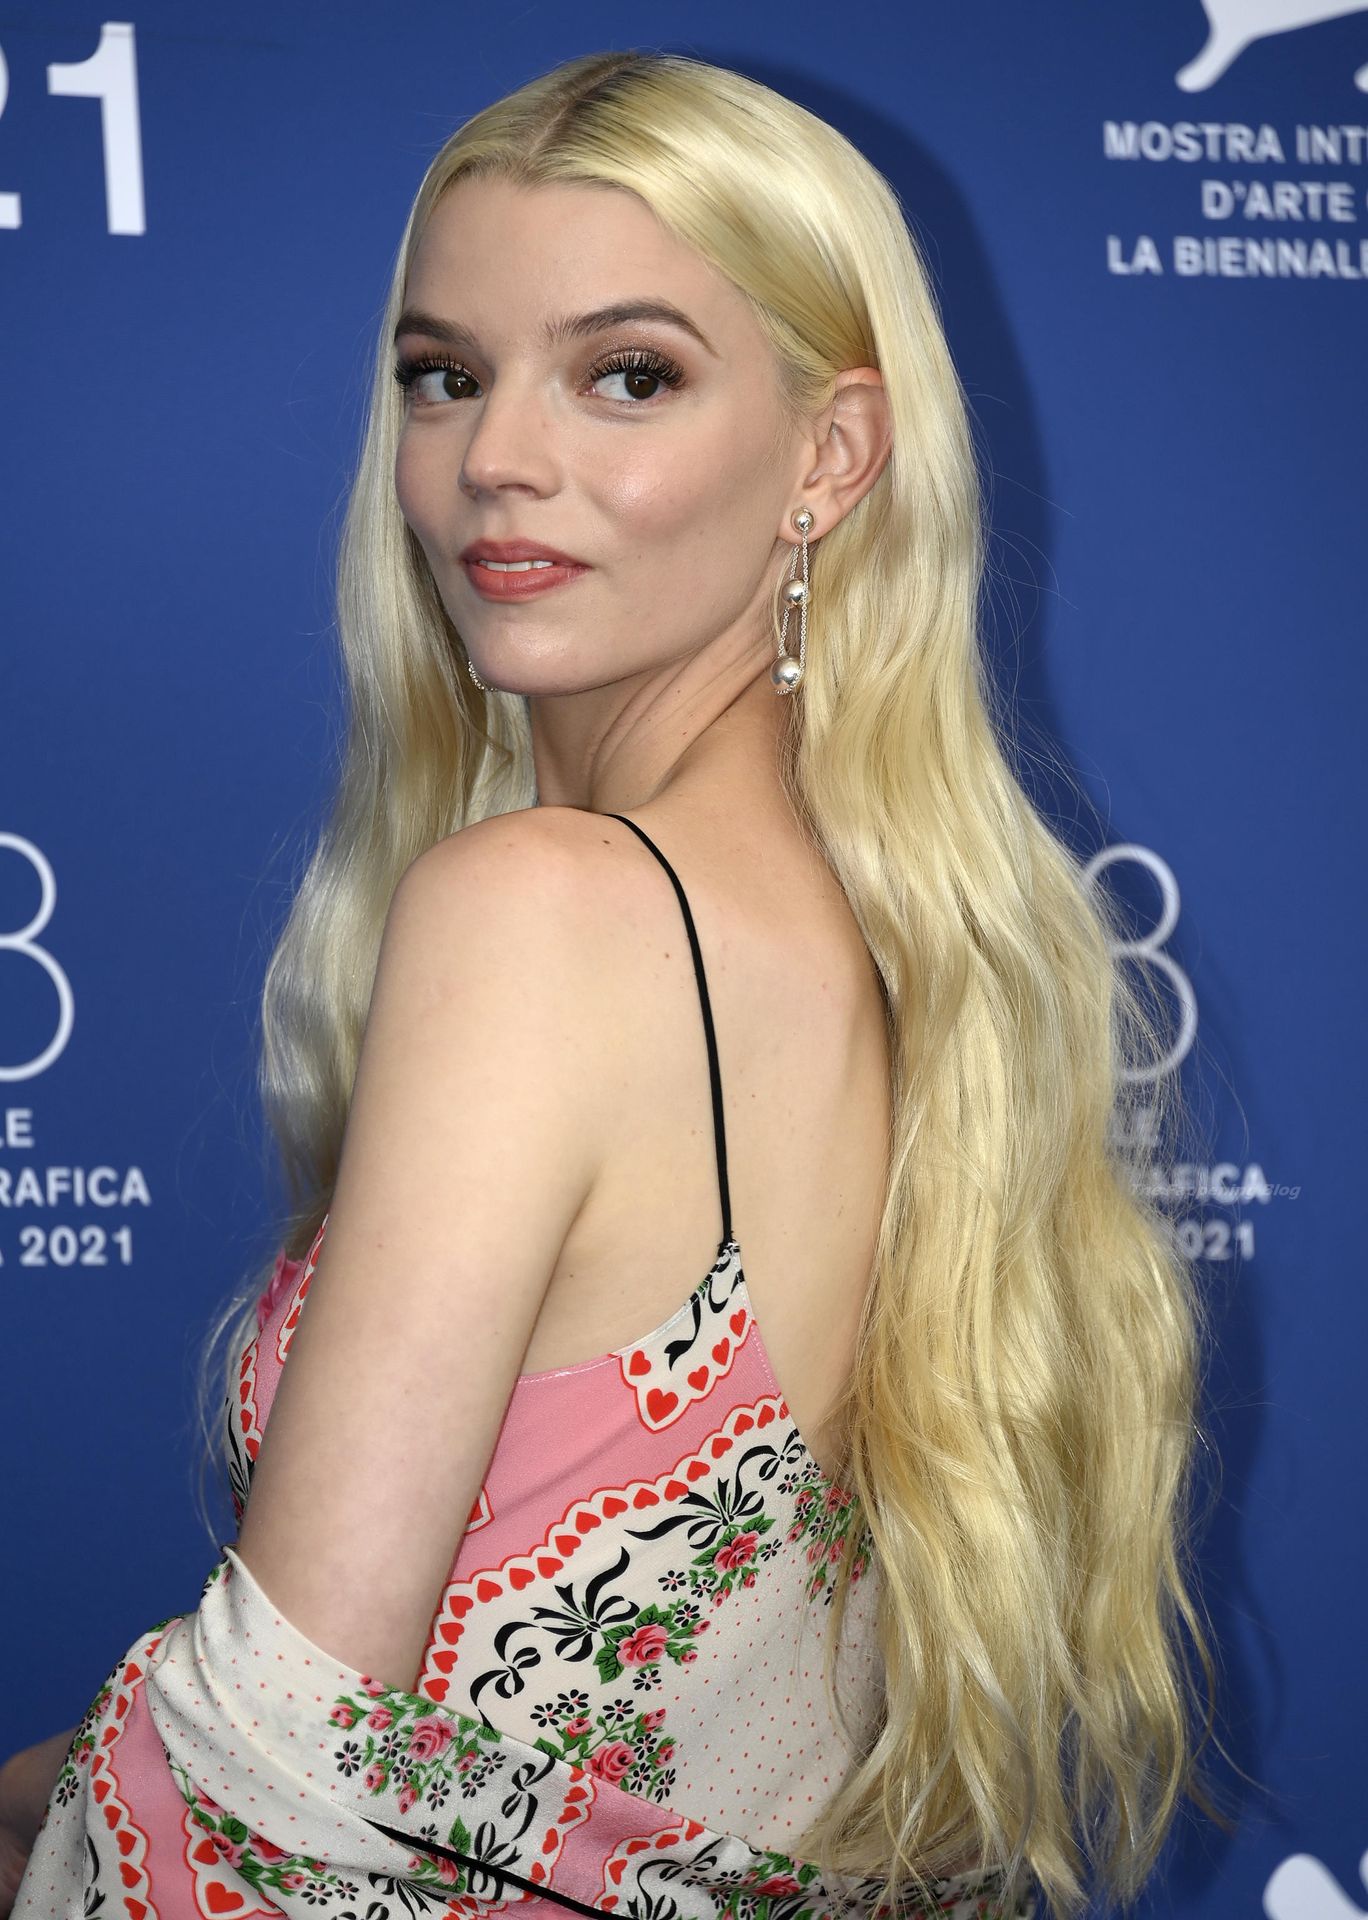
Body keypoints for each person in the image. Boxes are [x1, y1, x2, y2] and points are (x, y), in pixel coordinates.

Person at [1, 47, 1215, 1920]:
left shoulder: (544, 913)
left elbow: (262, 1768)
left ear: (831, 456)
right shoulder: (905, 958)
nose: (496, 456)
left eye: (626, 374)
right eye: (445, 375)